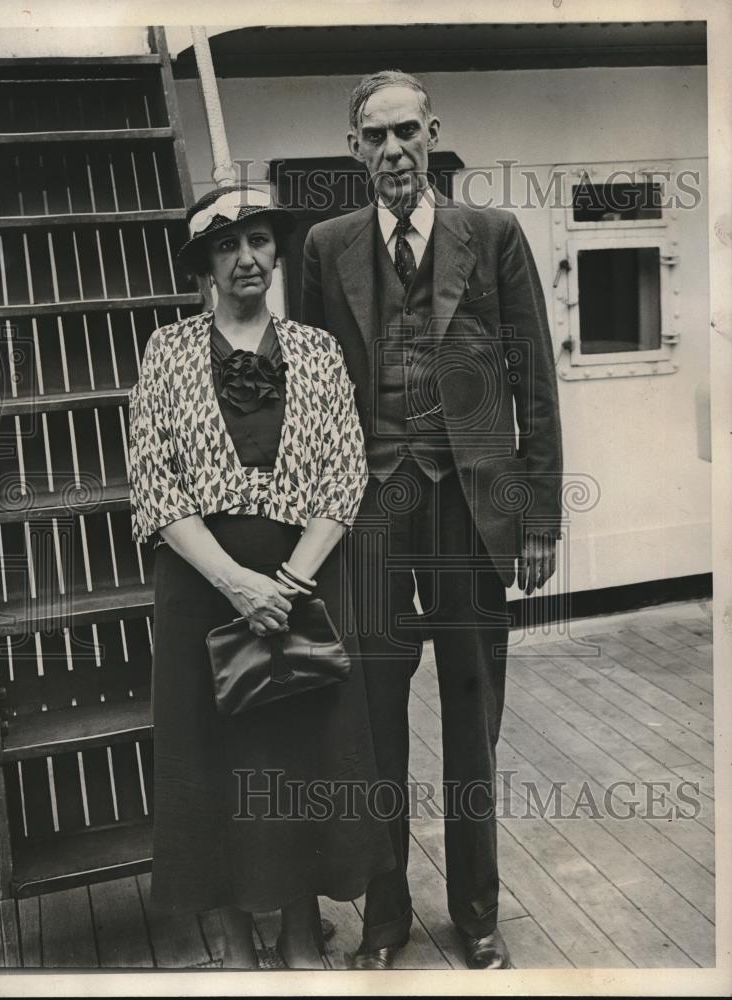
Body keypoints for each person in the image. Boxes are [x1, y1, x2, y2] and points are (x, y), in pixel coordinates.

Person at [302, 70, 563, 970]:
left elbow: (533, 381)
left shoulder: (490, 237)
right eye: (373, 139)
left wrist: (536, 516)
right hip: (369, 511)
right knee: (371, 720)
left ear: (432, 133)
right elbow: (308, 391)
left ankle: (476, 909)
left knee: (470, 712)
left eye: (405, 132)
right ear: (353, 151)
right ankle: (384, 916)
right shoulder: (324, 247)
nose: (392, 153)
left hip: (470, 504)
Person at [128, 184, 395, 970]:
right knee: (215, 762)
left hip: (302, 589)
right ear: (205, 265)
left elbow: (344, 476)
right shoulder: (167, 351)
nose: (245, 259)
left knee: (298, 758)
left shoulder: (315, 350)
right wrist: (238, 585)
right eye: (225, 246)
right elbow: (153, 481)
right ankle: (240, 944)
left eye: (258, 242)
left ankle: (301, 934)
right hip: (200, 592)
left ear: (277, 253)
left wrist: (284, 584)